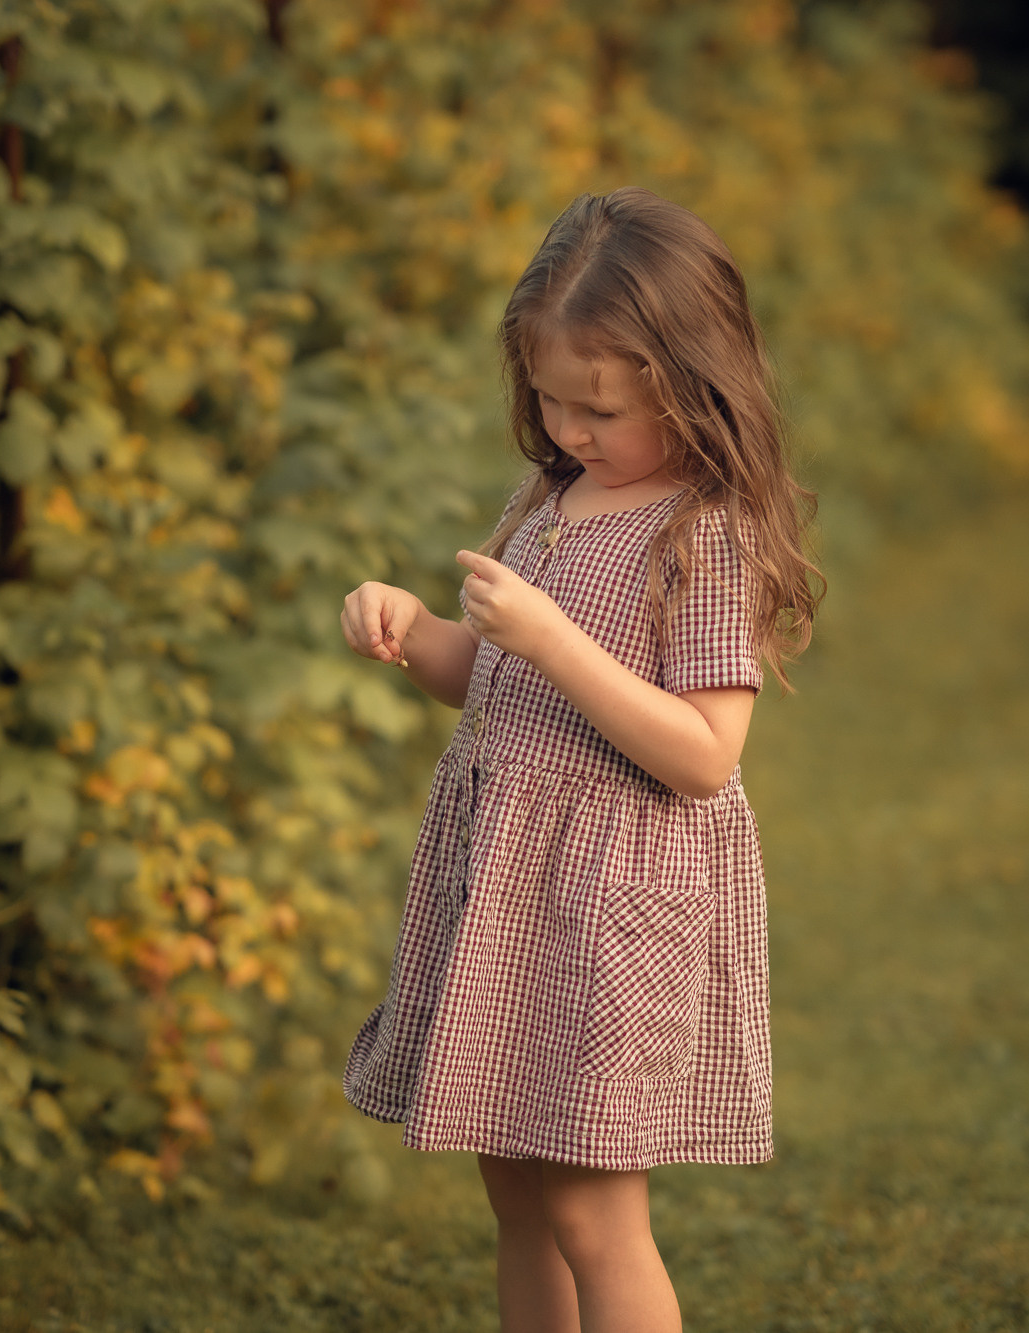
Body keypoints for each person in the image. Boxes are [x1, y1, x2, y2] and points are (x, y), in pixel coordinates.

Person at [337, 186, 823, 1333]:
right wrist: (415, 631)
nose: (567, 430)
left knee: (593, 1217)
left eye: (597, 408)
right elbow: (496, 681)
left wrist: (551, 637)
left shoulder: (702, 535)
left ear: (692, 384)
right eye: (547, 398)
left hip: (609, 904)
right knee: (515, 1194)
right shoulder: (554, 498)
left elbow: (703, 756)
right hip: (509, 893)